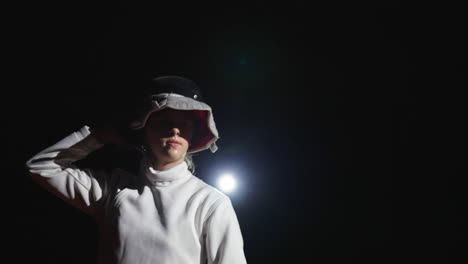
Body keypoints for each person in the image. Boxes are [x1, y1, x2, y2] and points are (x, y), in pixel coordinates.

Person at [25, 75, 247, 264]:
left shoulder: (210, 202)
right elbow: (41, 167)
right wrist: (100, 136)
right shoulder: (112, 190)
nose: (175, 130)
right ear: (144, 127)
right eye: (164, 120)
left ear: (194, 134)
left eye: (185, 123)